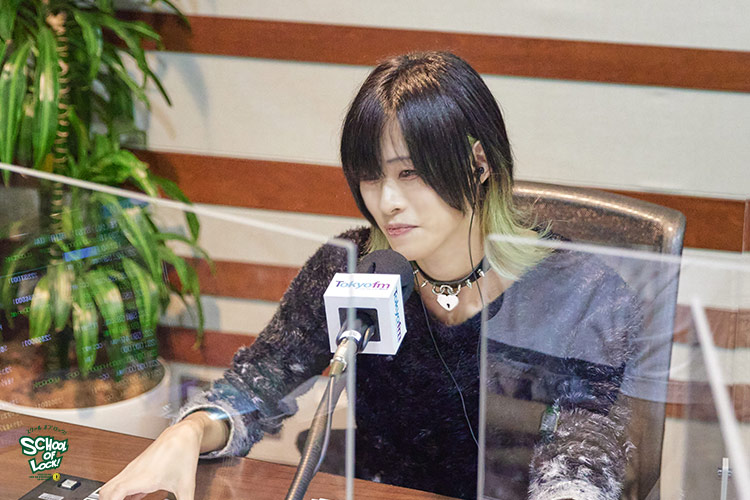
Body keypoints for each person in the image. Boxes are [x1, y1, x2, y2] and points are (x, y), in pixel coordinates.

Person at [101, 52, 642, 500]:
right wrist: (189, 431)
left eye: (410, 173)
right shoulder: (352, 264)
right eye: (370, 177)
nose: (387, 202)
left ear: (478, 164)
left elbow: (582, 461)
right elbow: (254, 387)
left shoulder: (579, 293)